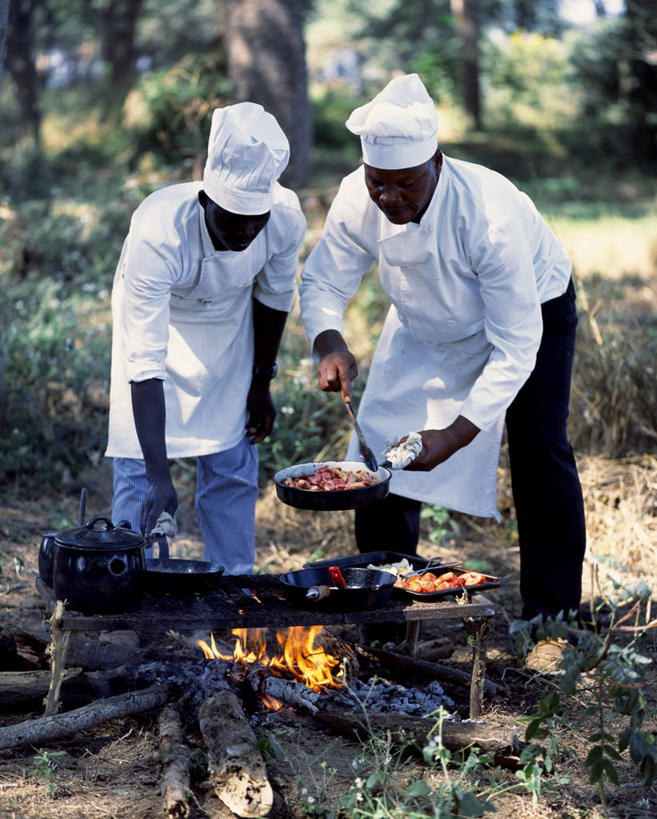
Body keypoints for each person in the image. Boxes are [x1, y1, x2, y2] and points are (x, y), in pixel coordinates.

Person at [299, 73, 586, 622]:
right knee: (382, 458)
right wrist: (329, 341)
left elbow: (516, 347)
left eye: (406, 184)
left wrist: (456, 433)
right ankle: (383, 610)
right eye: (377, 183)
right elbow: (323, 282)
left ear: (437, 163)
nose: (389, 198)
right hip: (424, 321)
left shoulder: (487, 214)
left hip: (531, 313)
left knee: (539, 448)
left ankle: (552, 618)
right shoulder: (358, 198)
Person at [106, 102, 306, 574]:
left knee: (233, 459)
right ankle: (124, 591)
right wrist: (161, 475)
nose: (245, 232)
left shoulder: (284, 219)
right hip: (159, 322)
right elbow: (145, 360)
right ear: (204, 201)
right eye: (233, 219)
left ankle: (233, 592)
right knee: (139, 471)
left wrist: (262, 383)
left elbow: (275, 298)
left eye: (255, 220)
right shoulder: (159, 229)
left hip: (231, 326)